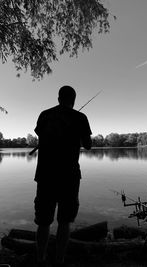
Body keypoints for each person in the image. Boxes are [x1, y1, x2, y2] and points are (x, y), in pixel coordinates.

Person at [34, 86, 92, 267]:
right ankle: (60, 260)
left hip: (45, 175)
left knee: (43, 222)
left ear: (59, 98)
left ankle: (40, 259)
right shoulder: (80, 117)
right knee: (64, 221)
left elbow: (40, 134)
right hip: (69, 176)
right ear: (73, 100)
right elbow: (88, 145)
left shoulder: (44, 115)